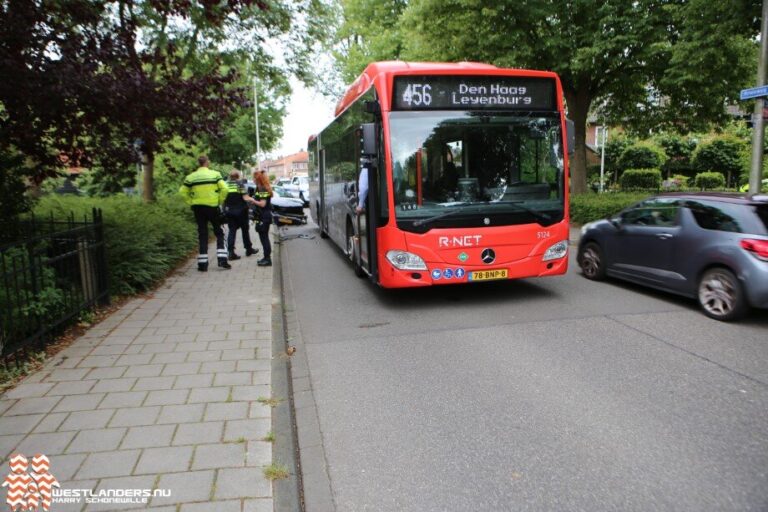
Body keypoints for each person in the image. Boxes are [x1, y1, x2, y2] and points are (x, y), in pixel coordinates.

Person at [179, 155, 230, 271]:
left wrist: (191, 202)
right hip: (212, 207)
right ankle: (222, 260)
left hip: (198, 208)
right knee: (219, 232)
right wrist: (219, 201)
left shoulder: (191, 177)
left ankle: (202, 264)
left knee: (202, 234)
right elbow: (225, 189)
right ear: (207, 162)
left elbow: (182, 192)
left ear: (199, 163)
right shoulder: (215, 174)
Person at [224, 170, 259, 260]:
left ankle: (231, 252)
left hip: (229, 211)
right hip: (241, 212)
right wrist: (253, 200)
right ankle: (248, 249)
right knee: (245, 230)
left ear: (230, 177)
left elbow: (223, 198)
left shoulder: (225, 184)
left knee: (232, 231)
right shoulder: (240, 184)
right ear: (238, 176)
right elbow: (245, 197)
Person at [252, 170, 273, 266]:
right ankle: (266, 257)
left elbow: (263, 204)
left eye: (254, 178)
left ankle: (267, 259)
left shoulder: (262, 189)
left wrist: (252, 200)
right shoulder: (260, 188)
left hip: (264, 216)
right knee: (263, 237)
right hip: (262, 216)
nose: (252, 180)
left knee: (264, 238)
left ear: (258, 179)